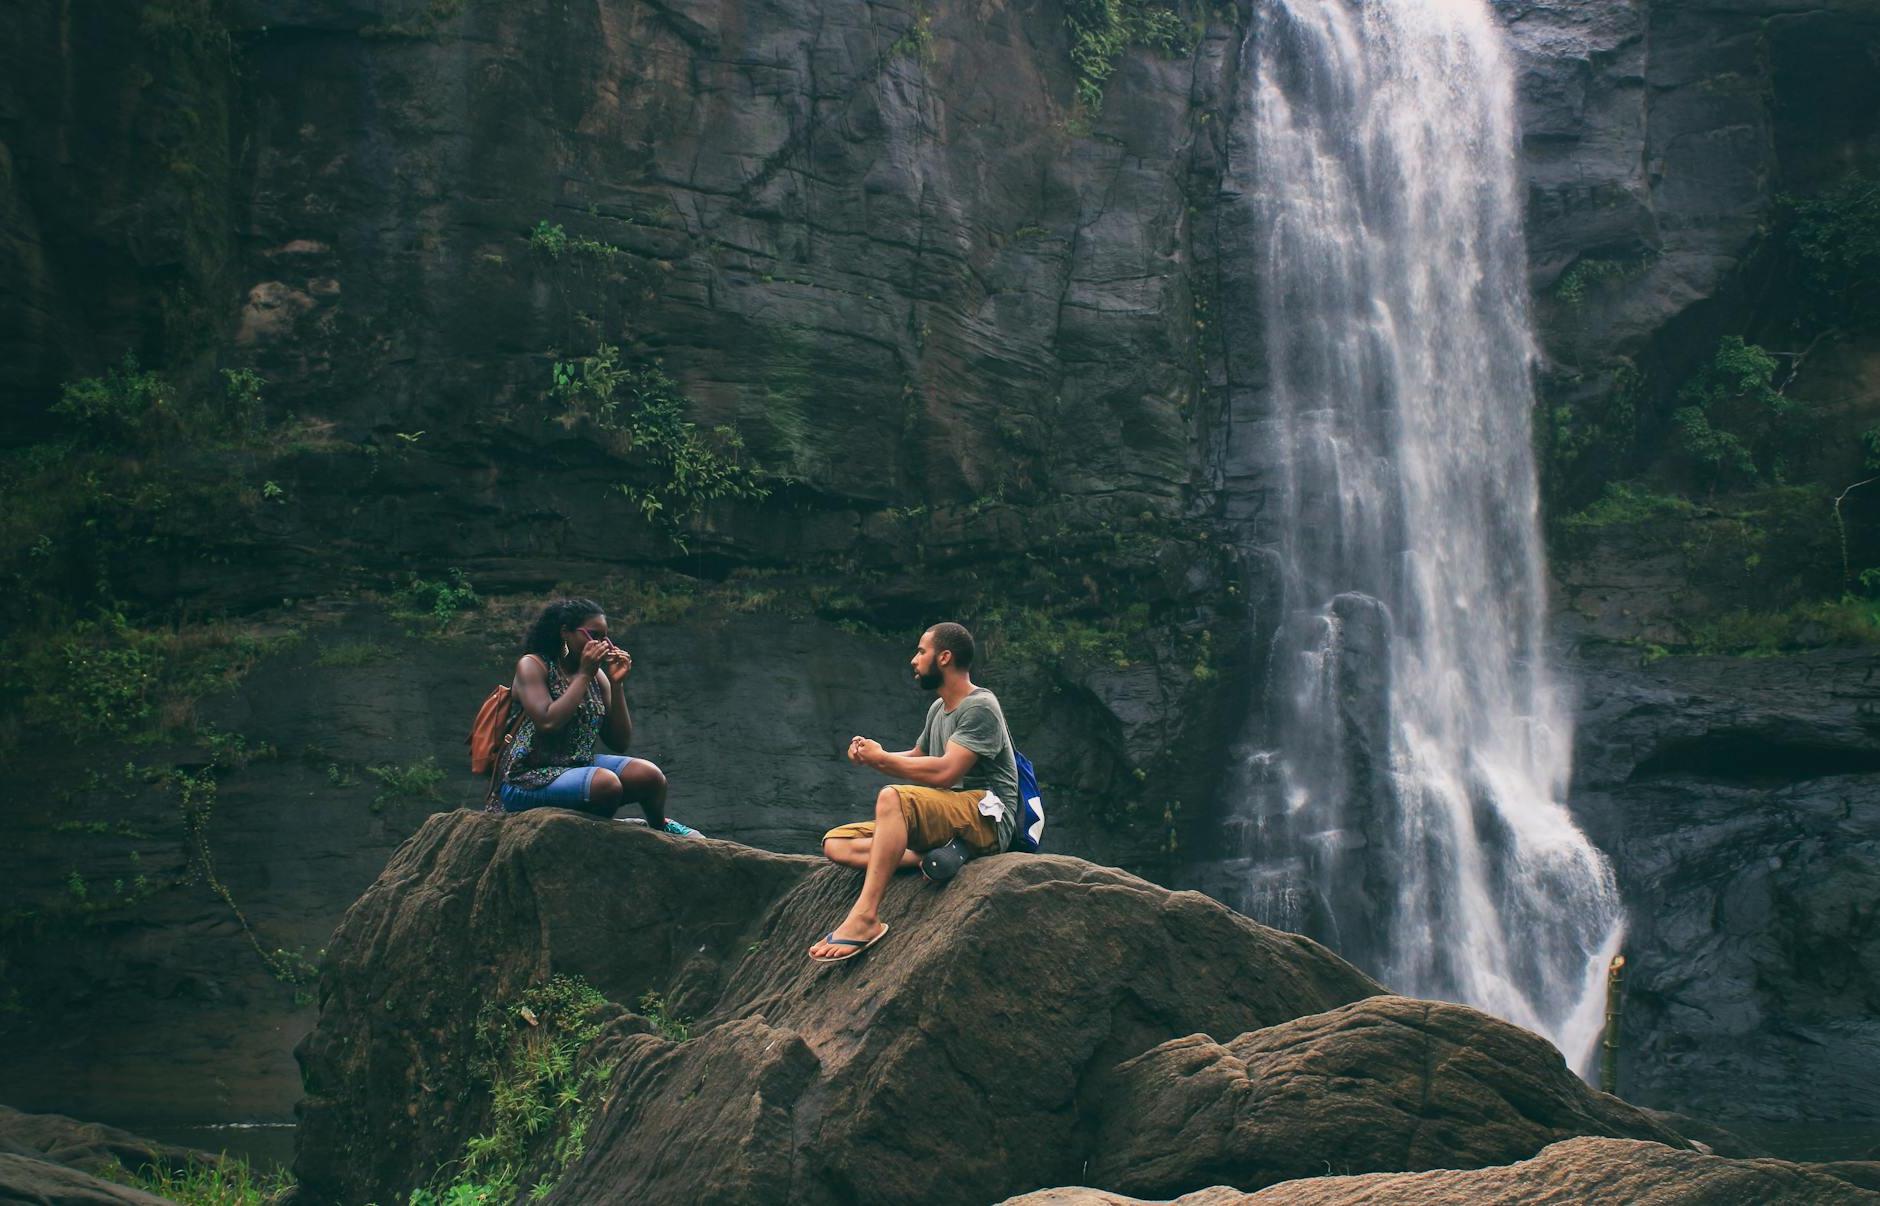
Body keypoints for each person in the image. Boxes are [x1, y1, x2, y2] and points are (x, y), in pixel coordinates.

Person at [808, 621, 1018, 962]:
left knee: (893, 797)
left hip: (986, 814)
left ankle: (865, 918)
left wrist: (883, 762)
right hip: (951, 811)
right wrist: (874, 756)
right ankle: (938, 854)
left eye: (922, 651)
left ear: (945, 657)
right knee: (836, 843)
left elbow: (947, 770)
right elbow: (919, 757)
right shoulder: (939, 708)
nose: (914, 660)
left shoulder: (980, 706)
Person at [496, 597, 699, 836]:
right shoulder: (533, 666)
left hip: (577, 766)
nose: (604, 645)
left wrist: (616, 683)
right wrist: (583, 674)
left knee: (650, 776)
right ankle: (602, 831)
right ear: (566, 633)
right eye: (594, 636)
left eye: (605, 637)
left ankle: (659, 830)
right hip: (527, 779)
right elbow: (548, 722)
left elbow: (619, 742)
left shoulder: (597, 676)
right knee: (606, 784)